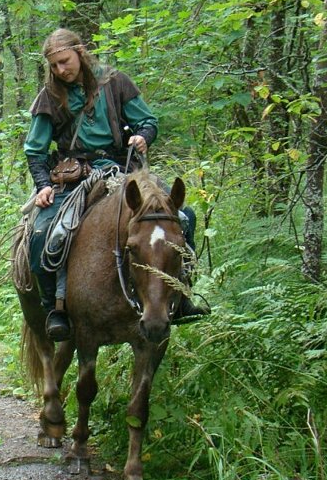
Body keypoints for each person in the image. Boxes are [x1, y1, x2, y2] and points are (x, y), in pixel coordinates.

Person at [24, 28, 208, 342]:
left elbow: (147, 121)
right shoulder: (49, 97)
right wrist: (42, 185)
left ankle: (181, 295)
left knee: (184, 217)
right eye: (54, 65)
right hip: (75, 176)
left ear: (79, 52)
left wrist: (142, 137)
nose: (60, 70)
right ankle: (54, 308)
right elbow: (35, 150)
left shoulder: (116, 82)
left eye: (65, 61)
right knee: (42, 233)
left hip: (125, 171)